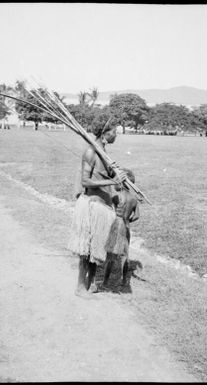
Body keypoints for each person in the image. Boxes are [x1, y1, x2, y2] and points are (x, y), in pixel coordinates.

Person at [67, 121, 127, 297]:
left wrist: (117, 175)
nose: (116, 135)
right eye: (114, 132)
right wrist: (112, 181)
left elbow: (108, 176)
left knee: (97, 250)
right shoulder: (91, 152)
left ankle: (90, 283)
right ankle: (80, 287)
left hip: (103, 207)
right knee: (86, 251)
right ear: (105, 134)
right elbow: (85, 182)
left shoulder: (104, 153)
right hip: (91, 206)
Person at [102, 168, 140, 291]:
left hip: (117, 225)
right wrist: (127, 221)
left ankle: (105, 281)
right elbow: (137, 216)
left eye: (118, 181)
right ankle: (124, 282)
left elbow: (108, 202)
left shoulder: (118, 196)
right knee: (125, 254)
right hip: (126, 226)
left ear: (123, 183)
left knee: (111, 254)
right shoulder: (134, 199)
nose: (116, 184)